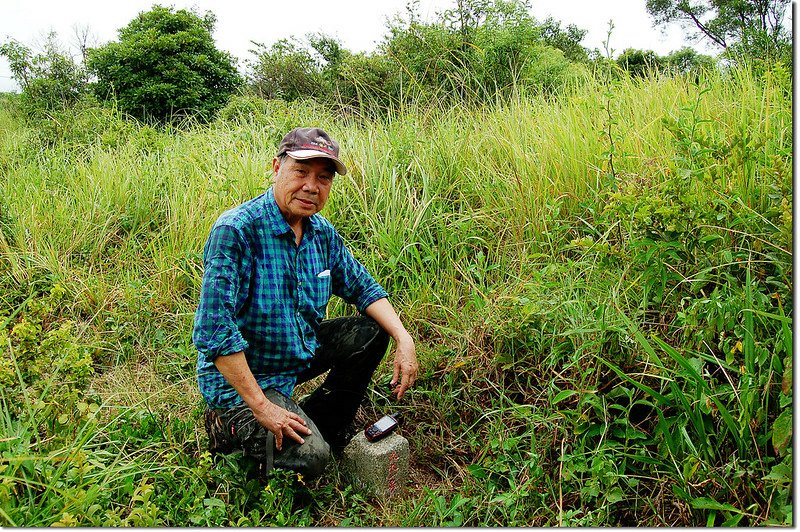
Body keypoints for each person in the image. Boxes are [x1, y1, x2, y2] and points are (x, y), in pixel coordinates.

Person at [193, 127, 418, 480]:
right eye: (301, 172)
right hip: (247, 376)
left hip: (294, 352)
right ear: (276, 168)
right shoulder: (237, 230)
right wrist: (263, 407)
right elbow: (214, 333)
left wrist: (405, 339)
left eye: (323, 178)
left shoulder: (320, 232)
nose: (311, 186)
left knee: (372, 331)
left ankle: (320, 428)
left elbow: (363, 287)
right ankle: (229, 429)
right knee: (312, 460)